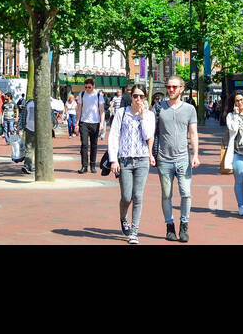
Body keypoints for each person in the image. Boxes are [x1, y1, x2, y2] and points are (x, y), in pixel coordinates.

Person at [109, 84, 156, 243]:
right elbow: (114, 136)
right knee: (126, 196)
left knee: (138, 195)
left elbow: (148, 135)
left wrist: (142, 116)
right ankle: (123, 218)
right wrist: (113, 159)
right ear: (130, 96)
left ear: (145, 98)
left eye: (141, 96)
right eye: (135, 96)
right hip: (125, 160)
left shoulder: (149, 115)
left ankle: (134, 231)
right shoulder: (122, 113)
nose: (138, 99)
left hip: (142, 159)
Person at [155, 76, 199, 242]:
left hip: (183, 159)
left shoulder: (189, 109)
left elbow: (193, 133)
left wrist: (195, 154)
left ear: (181, 88)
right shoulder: (159, 107)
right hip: (164, 159)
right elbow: (152, 132)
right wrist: (151, 154)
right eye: (169, 86)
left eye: (174, 87)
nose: (171, 89)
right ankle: (169, 226)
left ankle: (184, 225)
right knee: (166, 195)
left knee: (186, 194)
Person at [76, 78, 106, 174]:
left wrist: (101, 123)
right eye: (86, 87)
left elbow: (101, 110)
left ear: (93, 86)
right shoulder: (82, 94)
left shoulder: (98, 95)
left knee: (94, 145)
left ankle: (92, 165)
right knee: (84, 145)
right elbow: (79, 109)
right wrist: (76, 123)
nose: (87, 89)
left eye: (89, 87)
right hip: (84, 122)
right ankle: (84, 166)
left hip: (95, 123)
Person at [22, 95, 36, 175]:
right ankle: (27, 165)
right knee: (29, 148)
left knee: (37, 149)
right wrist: (22, 126)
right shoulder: (29, 103)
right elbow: (24, 115)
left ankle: (32, 165)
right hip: (29, 129)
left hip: (40, 131)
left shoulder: (45, 102)